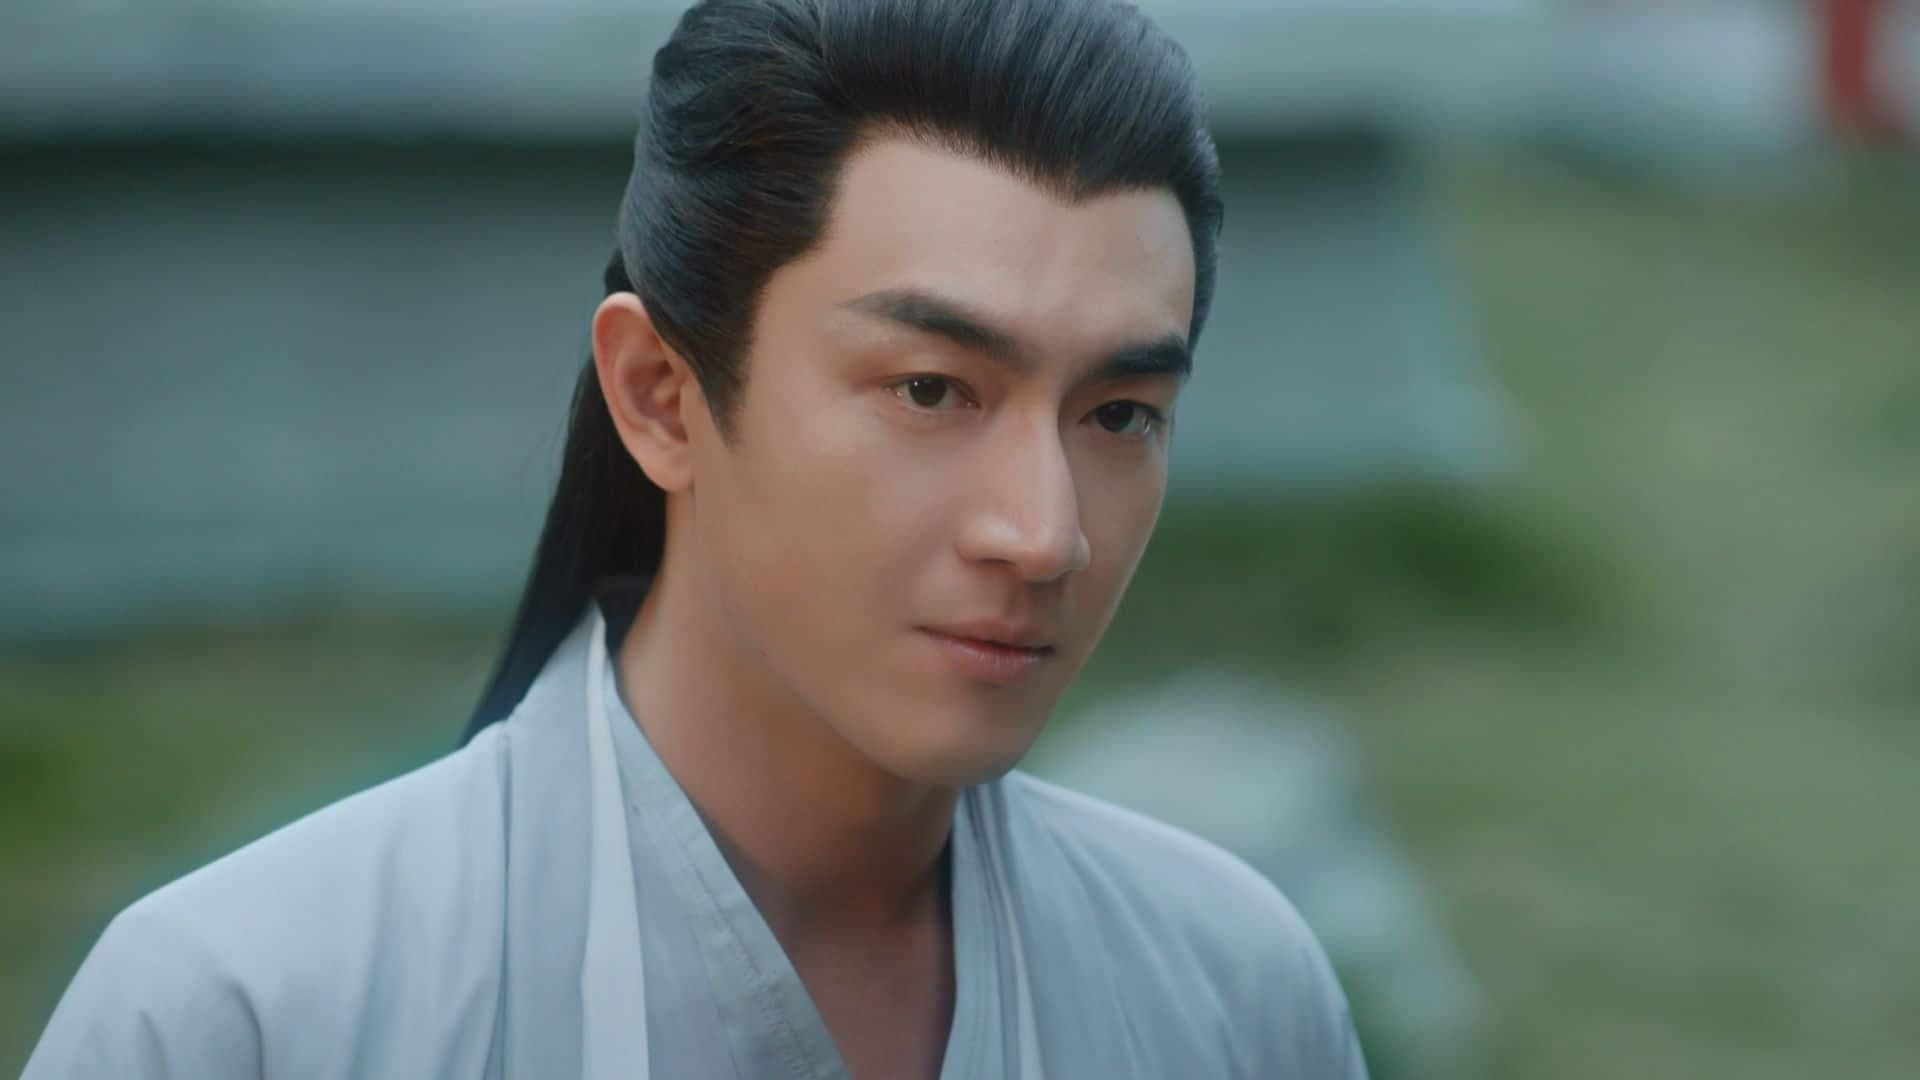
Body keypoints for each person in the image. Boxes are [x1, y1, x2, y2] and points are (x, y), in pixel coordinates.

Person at [25, 1, 1368, 1076]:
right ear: (660, 396)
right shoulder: (251, 1016)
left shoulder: (1232, 994)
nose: (1043, 533)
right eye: (929, 390)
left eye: (1120, 414)